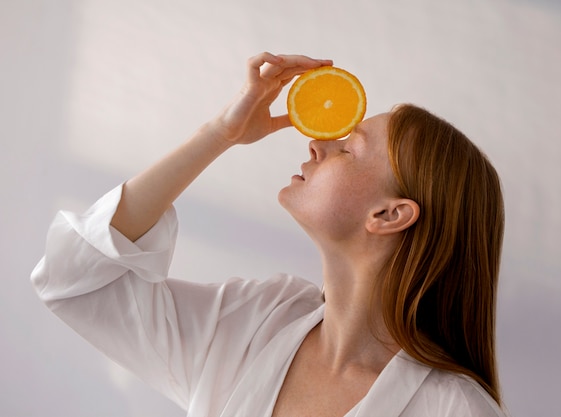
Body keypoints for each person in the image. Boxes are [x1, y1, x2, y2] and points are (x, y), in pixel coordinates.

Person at [31, 52, 509, 417]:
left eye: (348, 147)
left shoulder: (454, 409)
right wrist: (219, 133)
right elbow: (76, 278)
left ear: (389, 214)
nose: (317, 143)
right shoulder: (257, 322)